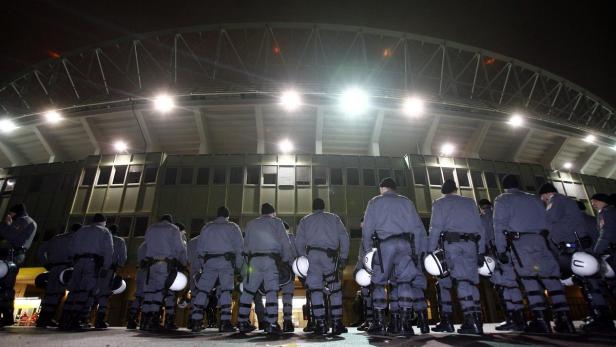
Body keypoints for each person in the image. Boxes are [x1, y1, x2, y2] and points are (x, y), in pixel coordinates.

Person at [493, 175, 575, 334]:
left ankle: (541, 321)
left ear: (504, 186)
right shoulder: (534, 199)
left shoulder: (502, 200)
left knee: (530, 280)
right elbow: (547, 223)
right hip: (541, 241)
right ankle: (565, 320)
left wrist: (501, 249)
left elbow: (499, 226)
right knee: (551, 279)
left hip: (521, 243)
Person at [362, 177, 426, 337]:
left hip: (385, 245)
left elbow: (367, 229)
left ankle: (379, 323)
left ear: (382, 188)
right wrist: (417, 253)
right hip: (405, 245)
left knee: (378, 283)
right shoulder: (406, 202)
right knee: (404, 282)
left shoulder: (375, 202)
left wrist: (368, 250)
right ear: (395, 188)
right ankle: (405, 325)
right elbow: (419, 229)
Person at [427, 179, 484, 335]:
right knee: (471, 282)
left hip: (453, 246)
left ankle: (471, 323)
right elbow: (480, 227)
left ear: (443, 191)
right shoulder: (470, 202)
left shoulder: (439, 203)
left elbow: (435, 228)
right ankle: (477, 319)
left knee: (460, 281)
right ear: (456, 189)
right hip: (472, 245)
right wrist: (481, 251)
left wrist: (430, 251)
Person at [295, 198, 350, 336]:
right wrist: (343, 257)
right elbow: (344, 237)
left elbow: (299, 242)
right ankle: (337, 323)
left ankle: (320, 324)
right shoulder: (334, 218)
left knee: (315, 291)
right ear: (324, 207)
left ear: (313, 208)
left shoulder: (305, 220)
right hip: (329, 257)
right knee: (335, 290)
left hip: (312, 257)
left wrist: (304, 258)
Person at [237, 203, 292, 336]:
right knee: (271, 291)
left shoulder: (251, 224)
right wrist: (285, 261)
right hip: (270, 260)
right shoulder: (277, 222)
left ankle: (242, 322)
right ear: (273, 213)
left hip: (254, 260)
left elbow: (245, 246)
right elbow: (285, 243)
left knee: (249, 291)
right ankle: (271, 323)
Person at [189, 207, 243, 333]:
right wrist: (238, 267)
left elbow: (200, 249)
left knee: (202, 291)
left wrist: (203, 264)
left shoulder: (207, 227)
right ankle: (225, 322)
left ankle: (196, 321)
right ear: (227, 216)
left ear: (217, 215)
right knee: (226, 291)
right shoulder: (233, 227)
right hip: (226, 262)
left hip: (209, 262)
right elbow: (239, 248)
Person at [59, 214, 113, 331]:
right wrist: (106, 266)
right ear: (103, 222)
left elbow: (71, 247)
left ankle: (64, 318)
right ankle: (76, 319)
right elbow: (109, 250)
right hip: (92, 263)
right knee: (85, 289)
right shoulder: (104, 231)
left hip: (78, 262)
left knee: (73, 290)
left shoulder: (81, 230)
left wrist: (73, 260)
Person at [478, 199, 525, 331]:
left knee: (501, 286)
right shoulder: (500, 215)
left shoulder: (481, 219)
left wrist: (480, 255)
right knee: (512, 284)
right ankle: (521, 317)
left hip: (493, 254)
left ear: (480, 208)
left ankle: (510, 318)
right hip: (507, 252)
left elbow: (481, 238)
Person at [140, 214, 187, 331]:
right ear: (171, 221)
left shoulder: (151, 228)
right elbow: (179, 248)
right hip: (165, 264)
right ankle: (154, 320)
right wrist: (181, 262)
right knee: (161, 291)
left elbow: (146, 243)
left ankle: (144, 321)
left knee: (150, 291)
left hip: (151, 264)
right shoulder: (172, 229)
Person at [582, 193, 616, 332]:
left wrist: (596, 252)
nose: (593, 204)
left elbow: (606, 233)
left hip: (612, 252)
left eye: (594, 201)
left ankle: (603, 319)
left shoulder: (605, 213)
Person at [35, 223, 80, 328]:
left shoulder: (56, 238)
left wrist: (46, 263)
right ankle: (58, 319)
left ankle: (43, 319)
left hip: (53, 268)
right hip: (67, 268)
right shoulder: (76, 239)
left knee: (50, 293)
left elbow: (41, 250)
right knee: (62, 293)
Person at [0, 203, 37, 327]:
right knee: (4, 284)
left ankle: (7, 315)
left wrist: (7, 224)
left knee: (6, 284)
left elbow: (9, 235)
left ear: (16, 213)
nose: (9, 215)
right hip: (9, 253)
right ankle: (6, 315)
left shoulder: (24, 221)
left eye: (11, 213)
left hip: (13, 254)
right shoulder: (22, 221)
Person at [94, 224, 127, 329]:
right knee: (104, 294)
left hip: (95, 267)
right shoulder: (119, 241)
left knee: (90, 291)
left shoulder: (101, 238)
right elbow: (122, 257)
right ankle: (99, 320)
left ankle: (82, 317)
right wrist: (120, 265)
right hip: (109, 269)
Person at [126, 241, 146, 329]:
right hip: (150, 272)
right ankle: (145, 321)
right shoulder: (158, 243)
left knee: (138, 296)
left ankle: (131, 319)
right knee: (150, 296)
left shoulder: (143, 245)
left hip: (140, 271)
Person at [281, 222, 296, 333]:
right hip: (289, 271)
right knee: (287, 297)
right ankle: (287, 322)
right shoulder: (292, 238)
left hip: (275, 271)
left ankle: (269, 322)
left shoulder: (274, 237)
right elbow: (297, 253)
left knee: (270, 295)